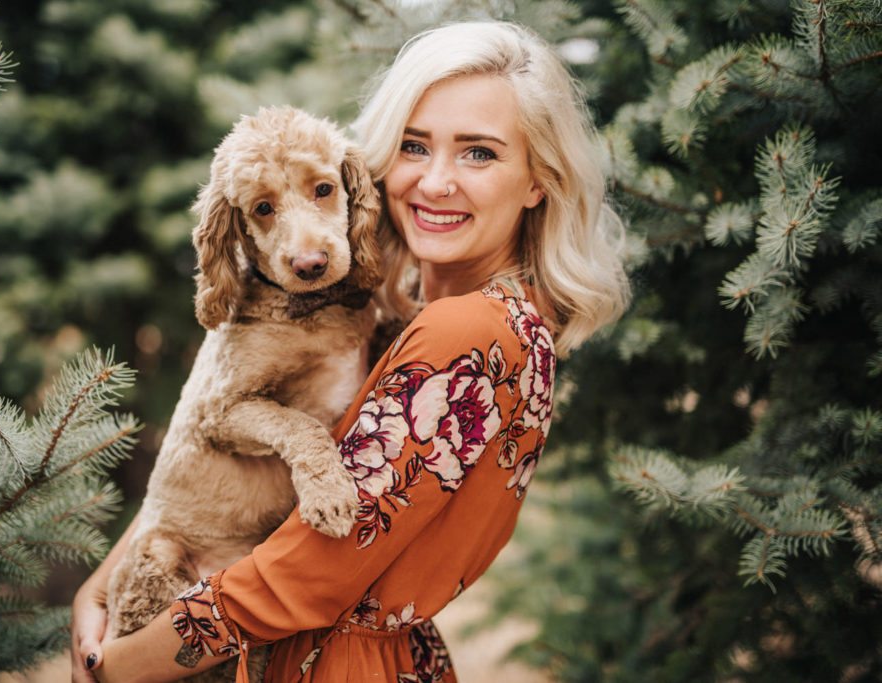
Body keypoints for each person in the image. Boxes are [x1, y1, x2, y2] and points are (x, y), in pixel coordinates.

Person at [72, 20, 630, 683]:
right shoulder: (419, 316)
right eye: (415, 146)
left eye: (479, 153)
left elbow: (312, 568)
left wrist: (118, 668)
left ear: (538, 178)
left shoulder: (467, 335)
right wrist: (108, 581)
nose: (436, 181)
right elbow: (210, 450)